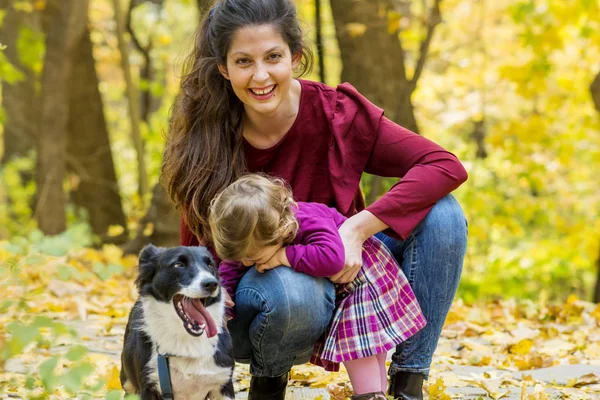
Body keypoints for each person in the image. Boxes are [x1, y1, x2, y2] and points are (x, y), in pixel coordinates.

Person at [162, 0, 468, 398]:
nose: (260, 75)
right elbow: (194, 249)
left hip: (349, 283)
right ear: (223, 68)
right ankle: (268, 381)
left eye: (273, 57)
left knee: (443, 214)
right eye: (243, 61)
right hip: (253, 303)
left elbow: (444, 165)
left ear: (296, 57)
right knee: (294, 287)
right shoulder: (206, 137)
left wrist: (357, 229)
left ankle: (408, 382)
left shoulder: (338, 115)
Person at [209, 174, 427, 399]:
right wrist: (224, 292)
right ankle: (376, 393)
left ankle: (369, 394)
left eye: (253, 258)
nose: (247, 264)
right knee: (371, 345)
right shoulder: (255, 238)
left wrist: (285, 255)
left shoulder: (307, 220)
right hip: (349, 282)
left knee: (360, 344)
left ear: (279, 231)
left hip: (360, 279)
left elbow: (333, 258)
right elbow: (233, 266)